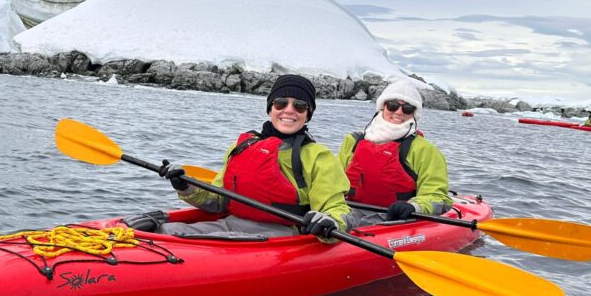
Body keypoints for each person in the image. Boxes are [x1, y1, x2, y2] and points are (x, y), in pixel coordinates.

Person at [124, 75, 356, 239]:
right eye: (280, 103)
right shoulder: (244, 145)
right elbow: (217, 202)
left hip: (282, 235)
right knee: (164, 232)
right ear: (270, 108)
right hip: (231, 224)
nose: (289, 110)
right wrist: (184, 185)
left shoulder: (318, 156)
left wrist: (330, 222)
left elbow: (337, 208)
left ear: (308, 114)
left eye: (300, 106)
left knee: (182, 240)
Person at [338, 79, 452, 224]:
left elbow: (437, 195)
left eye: (407, 108)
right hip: (350, 211)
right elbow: (333, 183)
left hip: (396, 219)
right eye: (392, 105)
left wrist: (414, 206)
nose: (398, 112)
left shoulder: (425, 150)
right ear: (382, 107)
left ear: (414, 114)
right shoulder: (353, 141)